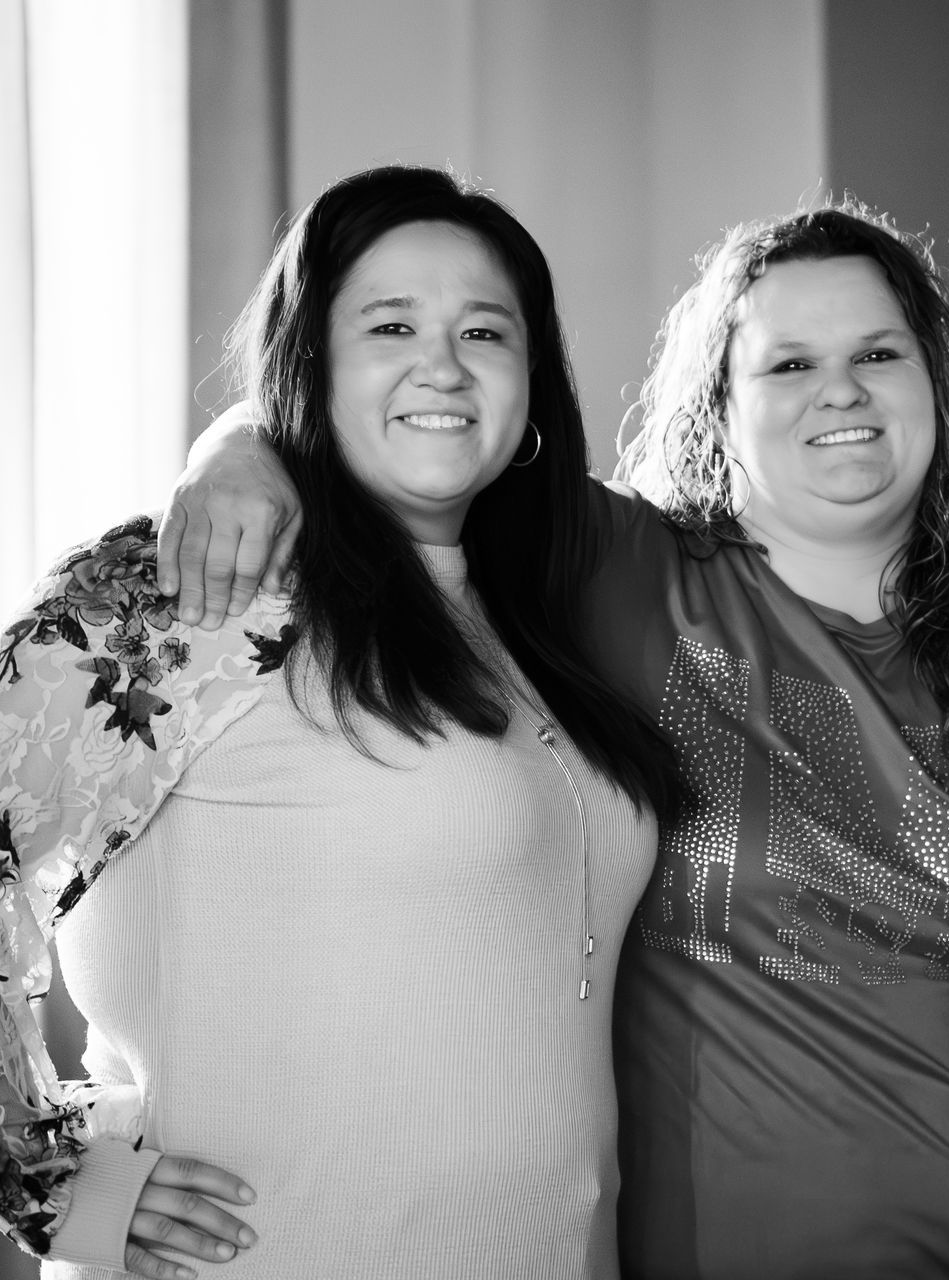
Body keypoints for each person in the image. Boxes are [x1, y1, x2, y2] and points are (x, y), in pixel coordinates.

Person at [155, 202, 949, 1278]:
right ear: (719, 404)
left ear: (936, 385)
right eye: (787, 363)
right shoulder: (624, 573)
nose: (840, 392)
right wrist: (243, 444)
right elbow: (427, 432)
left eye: (879, 356)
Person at [0, 165, 680, 1279]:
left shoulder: (537, 615)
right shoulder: (192, 591)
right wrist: (51, 1179)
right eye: (391, 324)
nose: (443, 364)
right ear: (308, 364)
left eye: (485, 331)